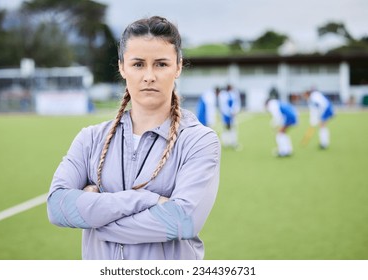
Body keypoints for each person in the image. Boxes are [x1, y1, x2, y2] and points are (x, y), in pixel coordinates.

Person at [47, 16, 221, 260]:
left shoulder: (199, 141)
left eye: (161, 64)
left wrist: (97, 219)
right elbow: (57, 207)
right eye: (138, 64)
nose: (149, 76)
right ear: (122, 67)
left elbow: (183, 221)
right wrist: (146, 200)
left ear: (178, 67)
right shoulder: (90, 138)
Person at [218, 84, 241, 148]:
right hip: (228, 115)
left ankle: (227, 143)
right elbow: (229, 106)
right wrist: (232, 112)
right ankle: (231, 143)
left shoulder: (224, 95)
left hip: (226, 115)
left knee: (227, 129)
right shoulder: (229, 95)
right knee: (230, 129)